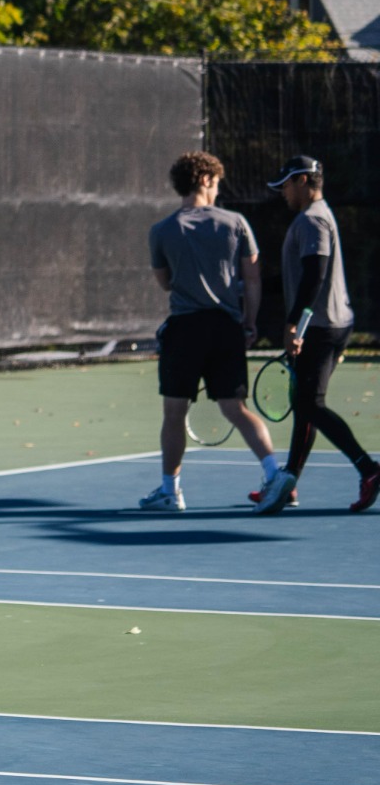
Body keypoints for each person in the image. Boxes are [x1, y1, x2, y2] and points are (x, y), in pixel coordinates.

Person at [144, 151, 281, 511]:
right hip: (225, 330)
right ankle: (275, 476)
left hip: (184, 331)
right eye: (217, 182)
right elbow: (252, 278)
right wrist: (249, 322)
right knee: (235, 408)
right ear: (204, 179)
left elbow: (165, 283)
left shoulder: (161, 231)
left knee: (174, 414)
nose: (218, 188)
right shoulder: (236, 223)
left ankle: (170, 493)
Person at [254, 156, 379, 515]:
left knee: (310, 405)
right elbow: (299, 279)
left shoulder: (313, 220)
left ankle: (370, 470)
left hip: (322, 328)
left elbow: (315, 276)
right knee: (306, 405)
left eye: (287, 185)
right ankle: (287, 483)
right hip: (327, 324)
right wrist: (250, 287)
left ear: (305, 181)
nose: (281, 193)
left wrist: (295, 324)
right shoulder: (311, 219)